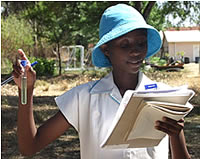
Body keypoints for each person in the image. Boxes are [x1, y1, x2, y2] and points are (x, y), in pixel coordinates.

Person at [12, 4, 191, 159]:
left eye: (141, 43)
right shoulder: (83, 98)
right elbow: (29, 147)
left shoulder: (165, 97)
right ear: (106, 49)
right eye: (125, 44)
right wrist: (25, 90)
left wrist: (176, 134)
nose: (135, 51)